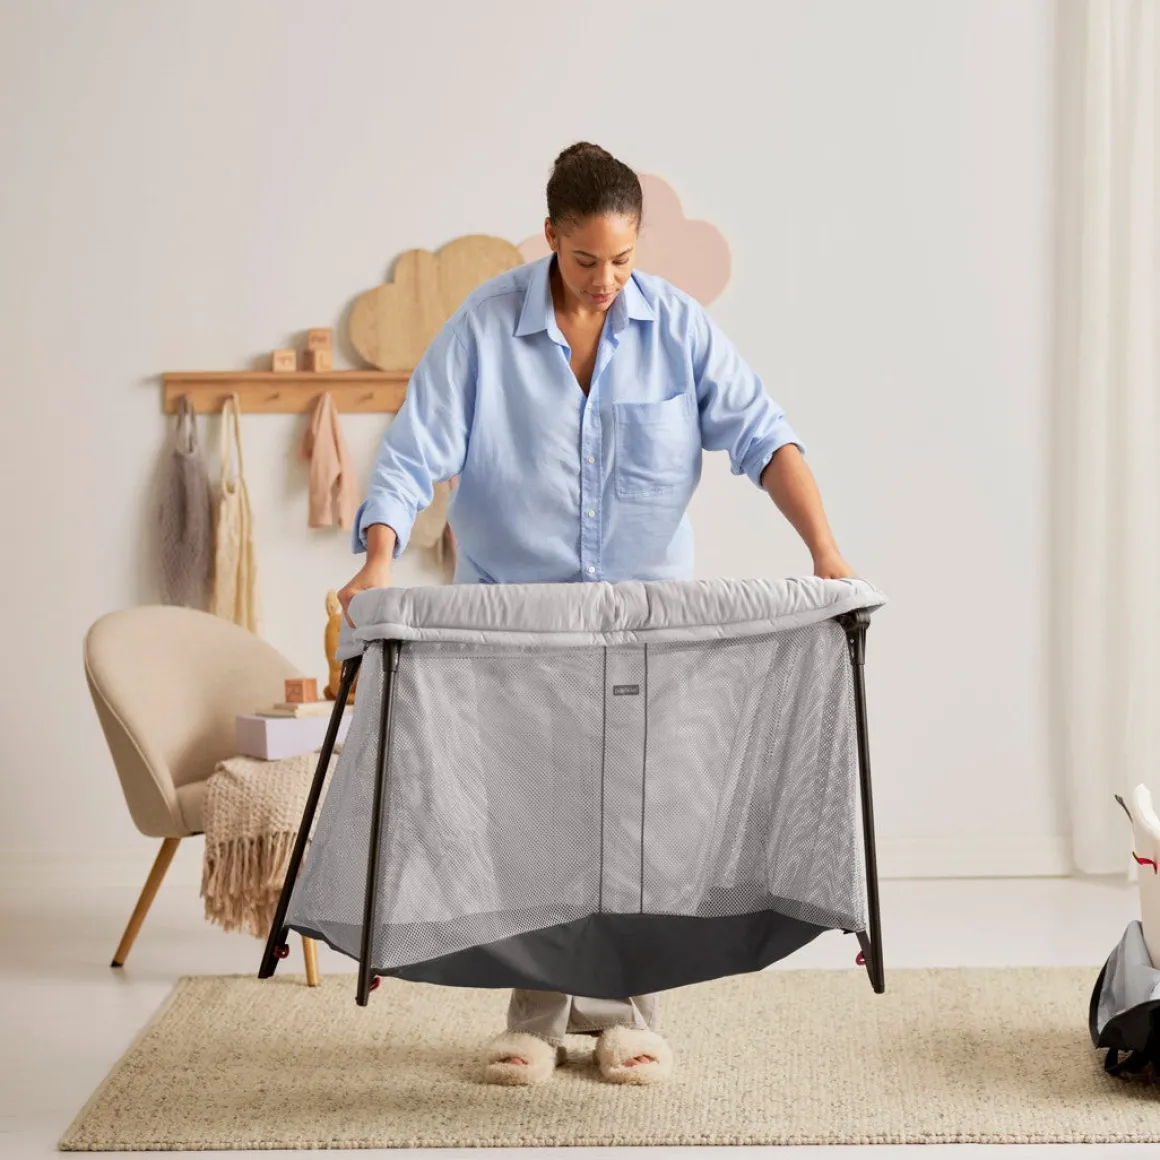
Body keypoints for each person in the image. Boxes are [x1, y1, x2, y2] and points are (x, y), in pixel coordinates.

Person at [338, 142, 856, 1086]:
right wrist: (378, 556)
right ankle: (536, 1020)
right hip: (517, 626)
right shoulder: (484, 328)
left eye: (623, 259)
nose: (606, 280)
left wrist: (824, 550)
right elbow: (413, 453)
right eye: (586, 260)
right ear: (550, 237)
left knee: (637, 827)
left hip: (643, 632)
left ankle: (623, 1016)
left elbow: (764, 434)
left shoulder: (679, 328)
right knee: (531, 828)